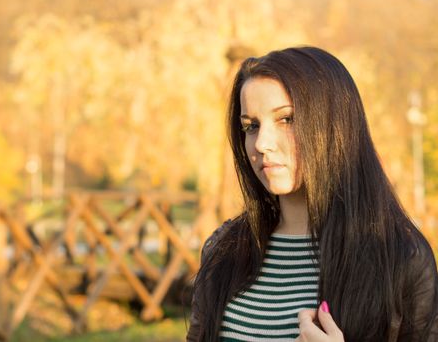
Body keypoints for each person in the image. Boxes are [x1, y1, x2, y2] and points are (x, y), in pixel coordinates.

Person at [186, 46, 438, 342]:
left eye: (286, 119)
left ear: (335, 125)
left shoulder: (400, 259)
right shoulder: (223, 251)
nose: (261, 143)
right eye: (251, 126)